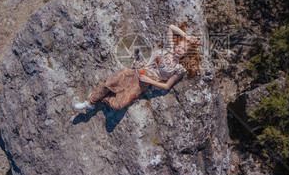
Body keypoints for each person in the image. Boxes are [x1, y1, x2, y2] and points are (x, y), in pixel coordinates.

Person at [73, 23, 201, 111]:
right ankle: (89, 103)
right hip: (135, 71)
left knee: (118, 105)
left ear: (186, 53)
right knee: (109, 83)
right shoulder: (168, 49)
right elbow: (171, 27)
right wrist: (186, 36)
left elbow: (167, 85)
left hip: (144, 83)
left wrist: (150, 81)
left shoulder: (179, 69)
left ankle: (100, 100)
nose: (180, 49)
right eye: (180, 46)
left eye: (183, 49)